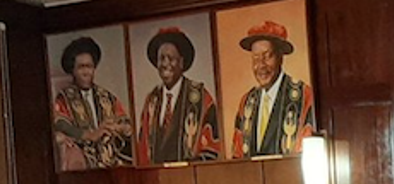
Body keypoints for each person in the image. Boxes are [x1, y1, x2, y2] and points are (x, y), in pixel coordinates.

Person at [135, 27, 221, 165]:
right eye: (161, 58)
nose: (165, 64)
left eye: (171, 58)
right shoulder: (151, 101)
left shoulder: (201, 98)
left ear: (181, 62)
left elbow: (212, 149)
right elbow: (143, 150)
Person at [231, 21, 316, 158]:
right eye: (256, 58)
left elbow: (310, 152)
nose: (261, 65)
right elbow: (238, 155)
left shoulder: (303, 96)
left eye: (267, 56)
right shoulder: (247, 102)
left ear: (280, 57)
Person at [52, 36, 133, 170]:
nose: (86, 72)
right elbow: (61, 124)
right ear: (73, 70)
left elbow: (126, 124)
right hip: (83, 163)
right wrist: (91, 135)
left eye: (89, 67)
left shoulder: (107, 97)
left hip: (111, 161)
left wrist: (118, 128)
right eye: (81, 67)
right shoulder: (64, 98)